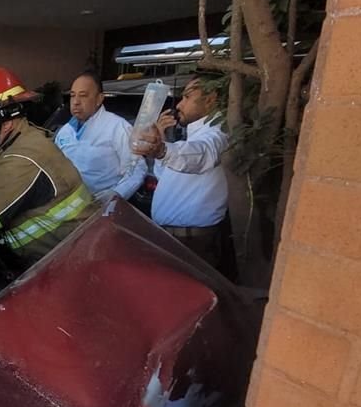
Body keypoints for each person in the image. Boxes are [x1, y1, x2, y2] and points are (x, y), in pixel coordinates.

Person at [0, 66, 96, 269]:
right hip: (62, 260)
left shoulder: (23, 159)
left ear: (5, 123)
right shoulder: (23, 140)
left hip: (72, 267)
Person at [133, 76, 232, 273]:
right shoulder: (194, 134)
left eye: (186, 97)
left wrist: (162, 150)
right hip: (174, 237)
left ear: (210, 99)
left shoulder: (218, 132)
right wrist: (162, 143)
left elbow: (202, 154)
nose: (179, 104)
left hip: (192, 242)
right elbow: (165, 174)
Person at [54, 71, 146, 203]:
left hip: (104, 207)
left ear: (99, 99)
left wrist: (115, 194)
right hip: (70, 206)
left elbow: (137, 169)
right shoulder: (65, 132)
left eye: (83, 96)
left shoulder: (117, 127)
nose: (76, 102)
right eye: (72, 96)